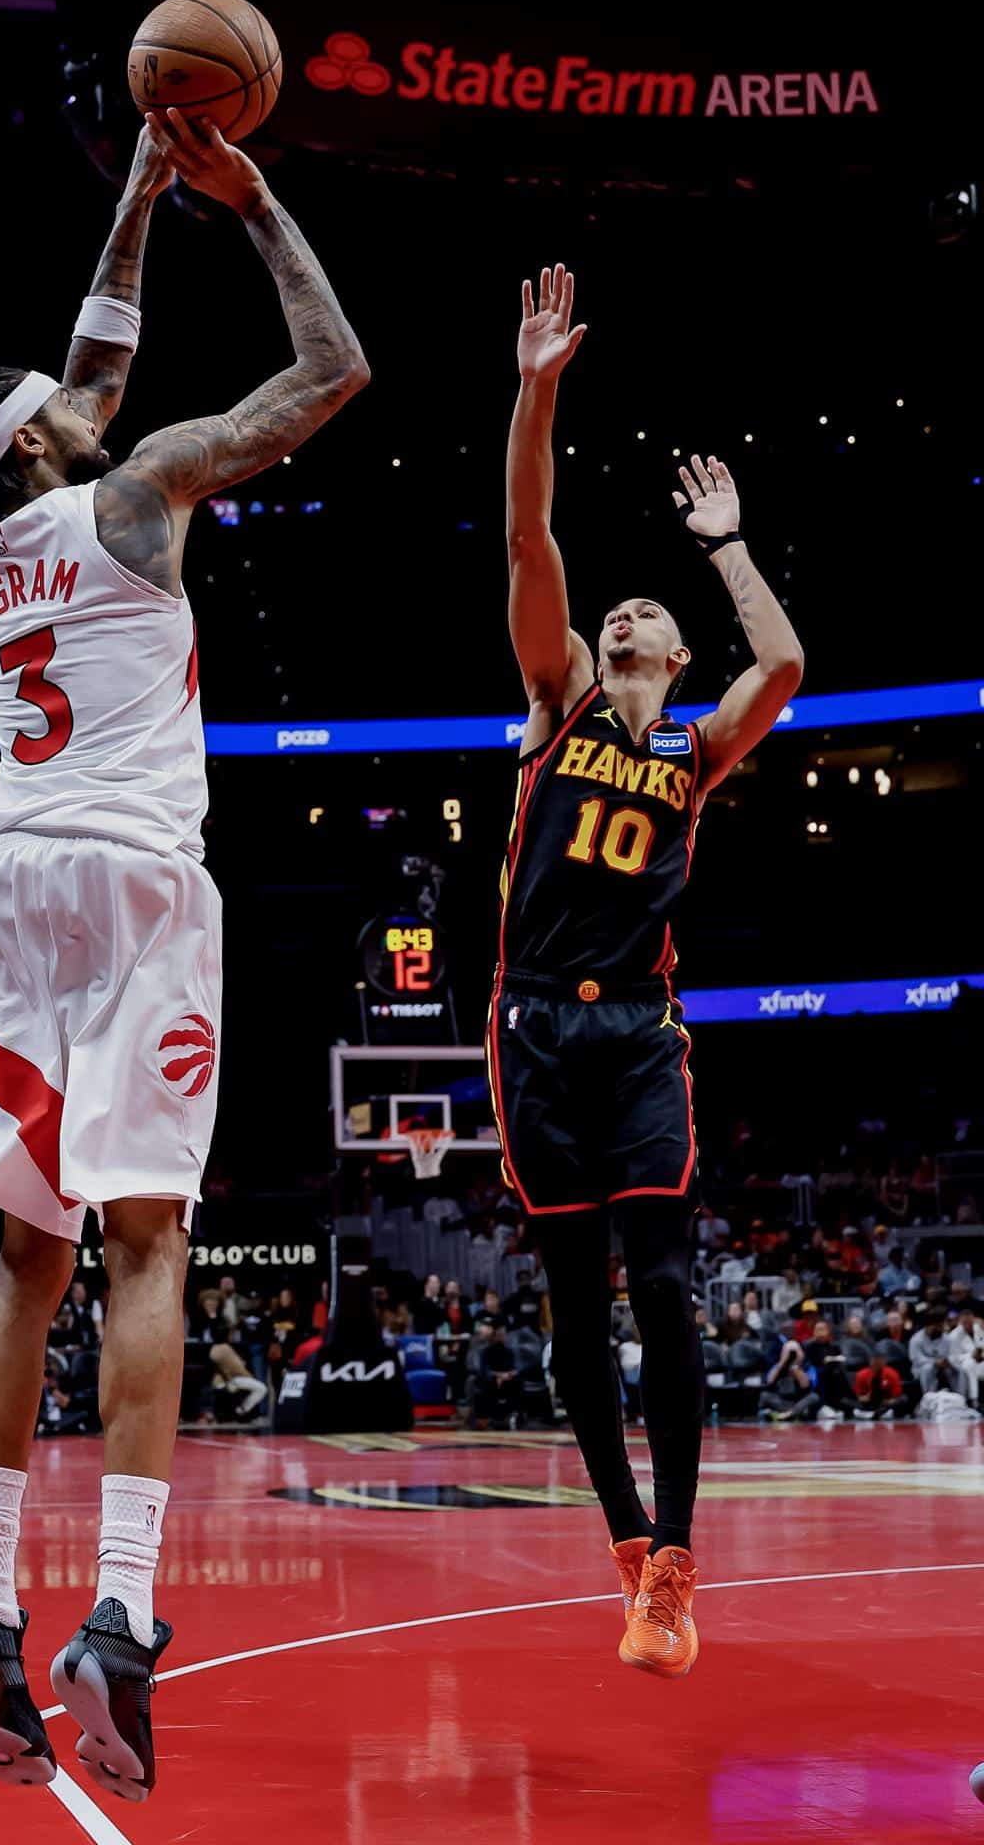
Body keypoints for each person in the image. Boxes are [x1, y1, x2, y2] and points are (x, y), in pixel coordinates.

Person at [0, 110, 367, 1799]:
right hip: (132, 882)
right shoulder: (136, 494)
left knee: (26, 1257)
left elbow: (88, 369)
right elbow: (330, 373)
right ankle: (118, 1614)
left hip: (14, 885)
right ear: (50, 438)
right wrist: (249, 205)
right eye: (66, 403)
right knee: (150, 1237)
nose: (88, 394)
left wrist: (132, 193)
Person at [488, 263, 804, 1681]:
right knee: (574, 1301)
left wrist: (723, 547)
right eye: (611, 609)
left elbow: (781, 664)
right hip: (532, 1029)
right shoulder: (553, 697)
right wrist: (534, 394)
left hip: (639, 1036)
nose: (619, 615)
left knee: (664, 1288)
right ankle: (623, 1543)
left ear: (673, 656)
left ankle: (675, 1561)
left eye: (641, 613)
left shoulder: (696, 744)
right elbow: (526, 534)